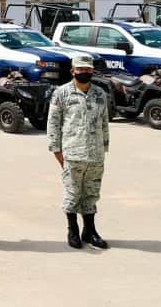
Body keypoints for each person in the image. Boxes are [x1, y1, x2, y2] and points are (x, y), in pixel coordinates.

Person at [47, 55, 110, 249]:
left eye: (88, 69)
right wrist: (57, 151)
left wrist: (104, 147)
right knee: (72, 194)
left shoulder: (100, 94)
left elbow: (104, 123)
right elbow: (53, 124)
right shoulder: (62, 93)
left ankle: (89, 231)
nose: (84, 72)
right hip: (72, 154)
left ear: (92, 71)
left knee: (91, 194)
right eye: (80, 69)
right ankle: (72, 230)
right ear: (73, 71)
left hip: (95, 154)